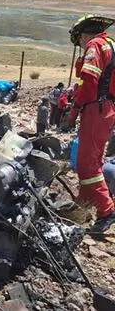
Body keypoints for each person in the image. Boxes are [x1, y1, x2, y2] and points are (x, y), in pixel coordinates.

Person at [67, 14, 115, 232]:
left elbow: (89, 81)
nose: (81, 45)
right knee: (94, 158)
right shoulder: (111, 45)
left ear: (84, 35)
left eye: (79, 41)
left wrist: (75, 109)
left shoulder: (95, 46)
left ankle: (107, 211)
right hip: (107, 109)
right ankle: (84, 203)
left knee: (87, 163)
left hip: (96, 109)